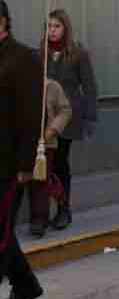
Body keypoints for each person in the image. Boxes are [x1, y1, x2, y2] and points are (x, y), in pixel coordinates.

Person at [0, 0, 44, 299]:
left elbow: (31, 116)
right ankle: (25, 283)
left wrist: (27, 163)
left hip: (9, 161)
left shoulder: (24, 58)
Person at [42, 9, 98, 231]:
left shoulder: (77, 53)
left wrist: (90, 118)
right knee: (47, 165)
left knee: (60, 163)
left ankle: (64, 210)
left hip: (68, 117)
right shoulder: (41, 52)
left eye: (56, 26)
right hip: (46, 116)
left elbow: (90, 87)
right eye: (49, 26)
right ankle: (44, 211)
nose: (52, 31)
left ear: (65, 28)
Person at [28, 79, 72, 238]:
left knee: (41, 179)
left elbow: (65, 110)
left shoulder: (51, 86)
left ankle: (40, 218)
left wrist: (52, 130)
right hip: (21, 143)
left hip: (44, 143)